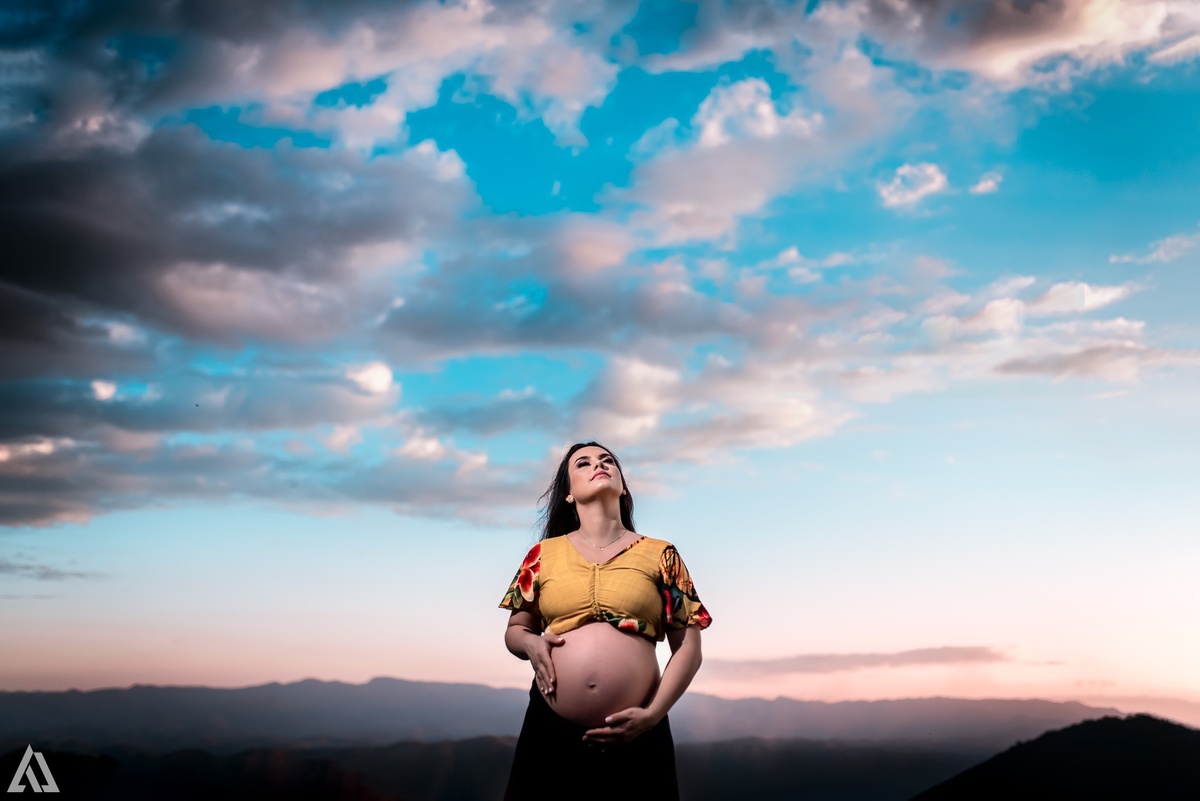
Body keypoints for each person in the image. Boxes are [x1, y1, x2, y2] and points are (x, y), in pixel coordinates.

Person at [498, 441, 712, 801]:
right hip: (550, 729)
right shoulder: (541, 555)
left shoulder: (661, 554)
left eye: (607, 460)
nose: (599, 464)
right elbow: (516, 631)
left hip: (640, 727)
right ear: (568, 494)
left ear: (623, 485)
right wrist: (531, 642)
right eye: (583, 463)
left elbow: (688, 646)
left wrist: (653, 715)